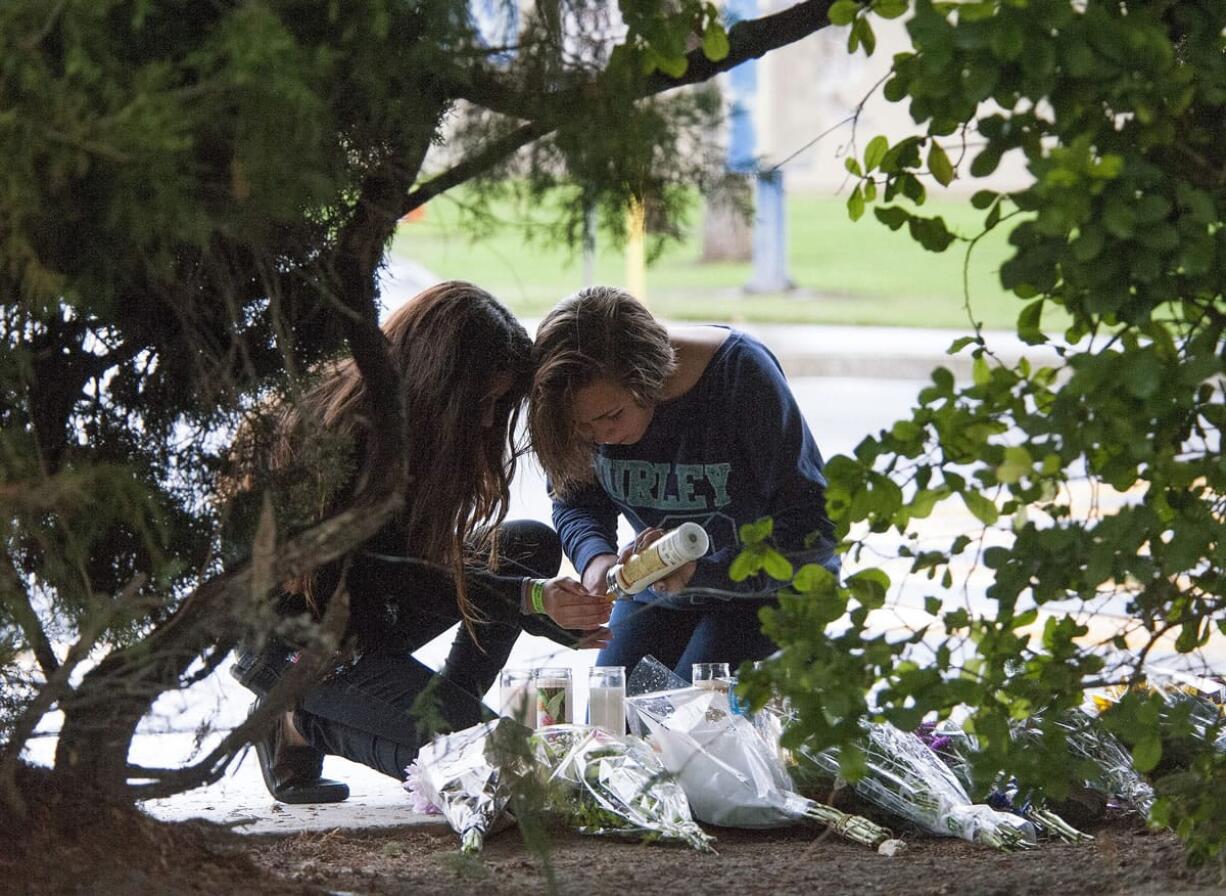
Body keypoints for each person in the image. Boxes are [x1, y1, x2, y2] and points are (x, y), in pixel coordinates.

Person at [225, 281, 609, 803]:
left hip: (368, 613)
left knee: (527, 545)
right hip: (301, 643)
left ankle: (441, 709)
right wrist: (528, 600)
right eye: (484, 401)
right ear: (439, 380)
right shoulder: (345, 437)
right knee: (504, 769)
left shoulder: (418, 428)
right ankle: (295, 723)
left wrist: (546, 611)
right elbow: (392, 573)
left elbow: (419, 568)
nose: (490, 420)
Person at [529, 286, 838, 682]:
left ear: (649, 378)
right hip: (660, 589)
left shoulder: (741, 376)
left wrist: (702, 572)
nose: (601, 436)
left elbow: (815, 525)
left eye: (612, 416)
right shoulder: (578, 406)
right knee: (613, 719)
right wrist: (596, 562)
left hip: (771, 593)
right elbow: (575, 499)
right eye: (582, 427)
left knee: (689, 722)